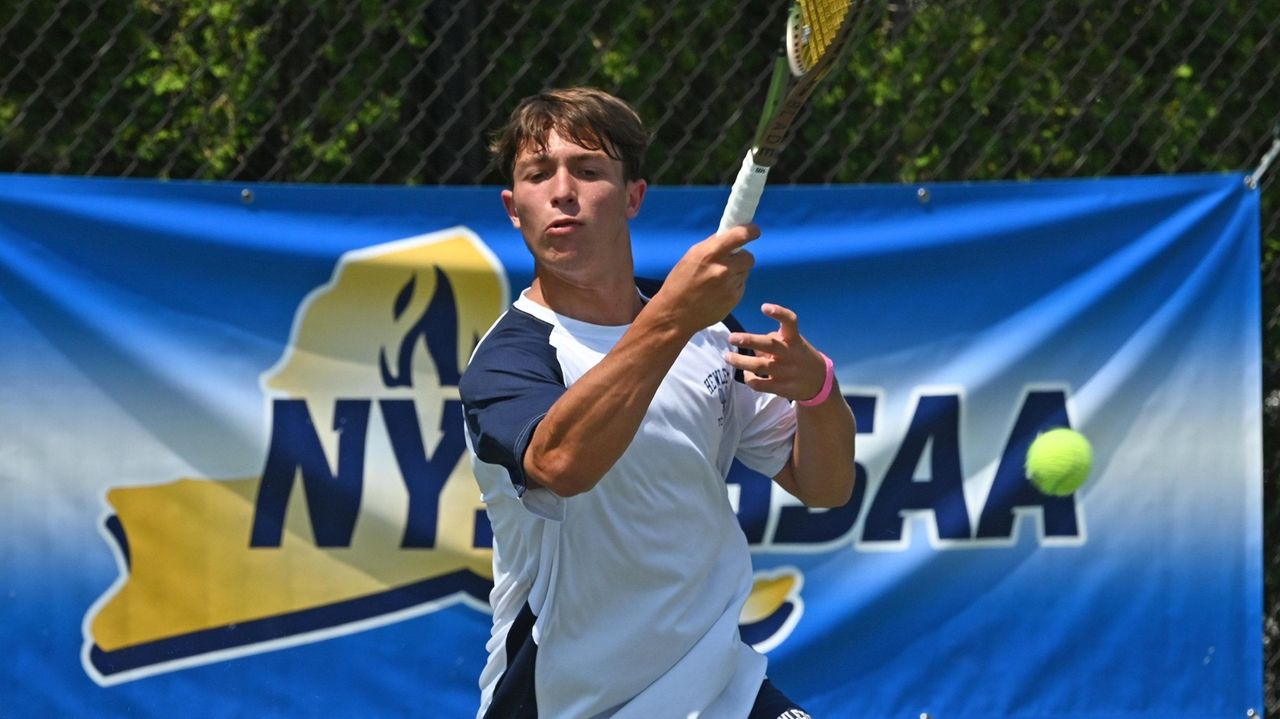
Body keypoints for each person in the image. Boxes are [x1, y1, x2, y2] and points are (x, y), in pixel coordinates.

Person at [459, 86, 856, 718]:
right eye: (538, 175)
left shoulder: (707, 330)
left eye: (588, 171)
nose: (562, 190)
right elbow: (563, 465)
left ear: (633, 196)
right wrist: (673, 316)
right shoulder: (508, 360)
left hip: (722, 687)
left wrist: (818, 391)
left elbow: (826, 485)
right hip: (573, 702)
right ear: (514, 208)